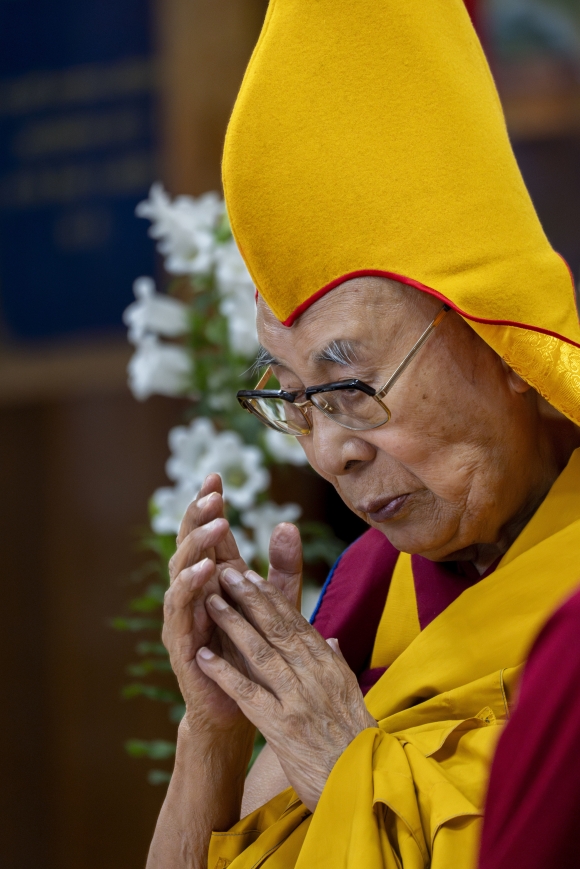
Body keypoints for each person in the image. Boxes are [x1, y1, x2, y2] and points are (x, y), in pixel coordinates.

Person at [146, 1, 580, 867]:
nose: (330, 452)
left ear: (504, 340)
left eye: (350, 385)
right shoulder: (374, 590)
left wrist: (343, 761)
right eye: (296, 398)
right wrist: (214, 733)